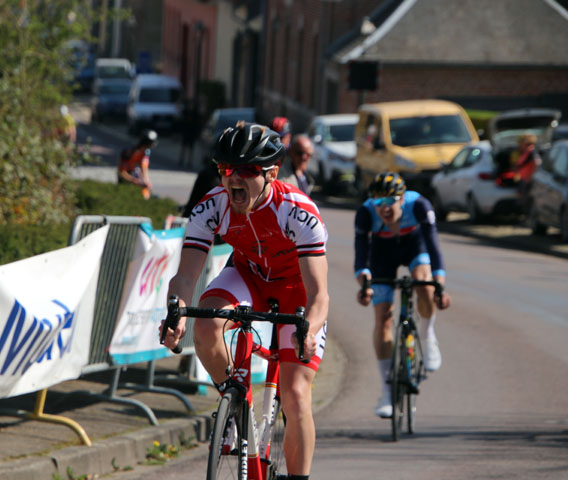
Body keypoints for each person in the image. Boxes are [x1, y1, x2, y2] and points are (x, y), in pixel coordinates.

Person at [162, 123, 330, 479]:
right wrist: (175, 312)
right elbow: (186, 275)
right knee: (205, 323)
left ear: (271, 173)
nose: (233, 179)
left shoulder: (297, 210)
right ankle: (234, 401)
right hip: (248, 276)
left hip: (295, 290)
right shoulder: (210, 206)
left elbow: (319, 294)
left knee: (297, 393)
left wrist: (309, 330)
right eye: (225, 169)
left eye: (246, 170)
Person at [353, 172, 451, 419]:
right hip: (382, 253)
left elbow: (433, 246)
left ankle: (428, 337)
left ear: (402, 198)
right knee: (383, 319)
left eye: (390, 202)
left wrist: (439, 284)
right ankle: (387, 391)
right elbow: (361, 255)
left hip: (413, 246)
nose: (384, 209)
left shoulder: (418, 205)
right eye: (379, 204)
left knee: (424, 284)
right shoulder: (366, 213)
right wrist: (364, 284)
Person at [117, 129, 157, 200]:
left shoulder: (146, 152)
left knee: (145, 193)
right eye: (152, 144)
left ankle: (146, 199)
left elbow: (144, 167)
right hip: (126, 177)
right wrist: (135, 181)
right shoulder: (129, 152)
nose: (153, 146)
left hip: (134, 176)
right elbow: (121, 173)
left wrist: (146, 181)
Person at [512, 133, 541, 204]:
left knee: (526, 202)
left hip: (527, 180)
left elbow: (537, 162)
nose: (520, 144)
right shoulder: (526, 151)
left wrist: (531, 177)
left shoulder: (531, 151)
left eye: (522, 141)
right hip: (523, 179)